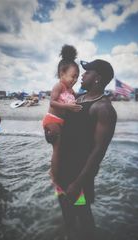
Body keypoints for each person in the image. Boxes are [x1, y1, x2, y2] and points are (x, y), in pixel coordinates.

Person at [56, 59, 117, 240]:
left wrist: (78, 182)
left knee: (82, 210)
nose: (82, 75)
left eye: (87, 72)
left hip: (79, 173)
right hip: (63, 168)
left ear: (97, 78)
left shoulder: (104, 108)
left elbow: (99, 151)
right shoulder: (79, 99)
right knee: (65, 206)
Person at [42, 45, 82, 183]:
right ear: (62, 74)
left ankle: (55, 169)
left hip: (60, 122)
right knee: (57, 150)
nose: (75, 79)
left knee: (62, 149)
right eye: (73, 76)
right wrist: (68, 107)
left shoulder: (71, 91)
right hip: (52, 120)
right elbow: (52, 102)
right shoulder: (58, 86)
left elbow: (78, 101)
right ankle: (53, 174)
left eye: (77, 77)